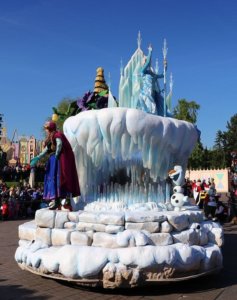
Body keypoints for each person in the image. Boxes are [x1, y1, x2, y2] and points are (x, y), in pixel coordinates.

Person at [30, 121, 80, 210]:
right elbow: (46, 150)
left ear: (50, 129)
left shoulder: (57, 135)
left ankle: (66, 199)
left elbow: (60, 144)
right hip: (53, 160)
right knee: (53, 178)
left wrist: (57, 155)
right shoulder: (50, 138)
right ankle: (56, 201)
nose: (46, 131)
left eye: (47, 129)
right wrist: (38, 157)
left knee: (61, 178)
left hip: (58, 160)